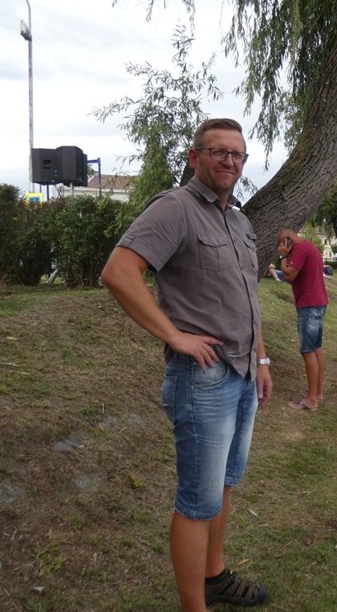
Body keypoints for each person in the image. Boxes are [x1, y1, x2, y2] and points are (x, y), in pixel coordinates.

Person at [101, 118, 272, 612]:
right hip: (203, 380)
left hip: (242, 373)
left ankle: (214, 576)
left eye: (237, 154)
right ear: (195, 157)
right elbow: (119, 272)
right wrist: (174, 336)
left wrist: (261, 357)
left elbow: (248, 297)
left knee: (223, 485)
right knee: (198, 501)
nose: (229, 161)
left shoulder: (239, 222)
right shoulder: (175, 208)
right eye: (219, 152)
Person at [276, 229, 328, 410]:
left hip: (309, 304)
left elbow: (290, 274)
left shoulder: (299, 249)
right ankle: (318, 392)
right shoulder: (310, 246)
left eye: (281, 244)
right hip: (319, 302)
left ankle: (311, 399)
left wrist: (283, 257)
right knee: (317, 347)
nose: (281, 248)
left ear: (287, 241)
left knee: (308, 350)